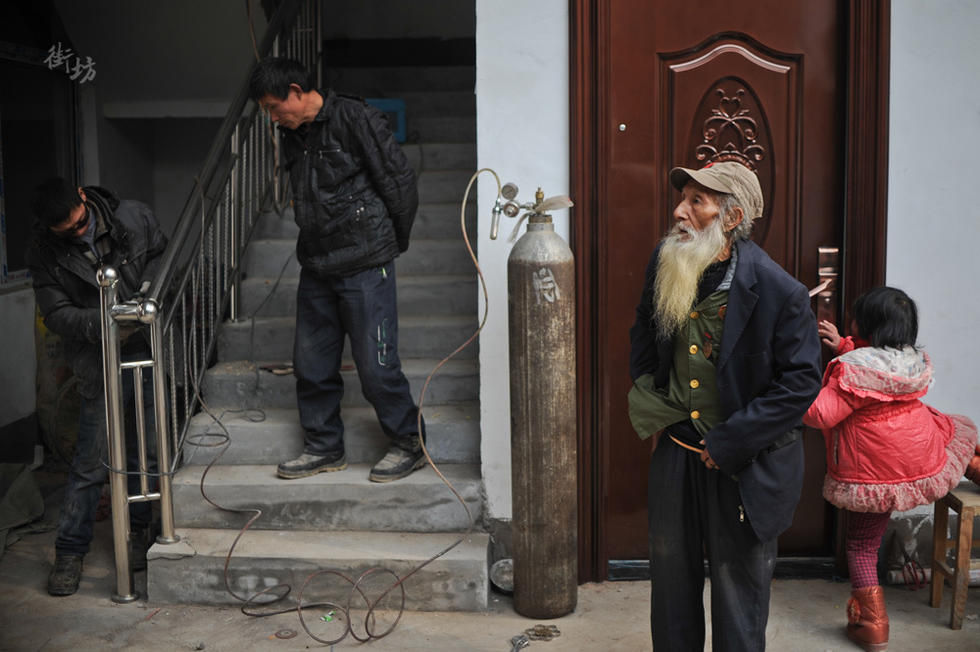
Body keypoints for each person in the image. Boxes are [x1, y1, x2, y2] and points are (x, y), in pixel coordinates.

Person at [628, 160, 823, 650]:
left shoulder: (782, 292)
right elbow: (644, 334)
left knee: (739, 599)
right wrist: (654, 395)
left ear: (730, 219)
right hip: (677, 451)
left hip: (746, 464)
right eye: (683, 198)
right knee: (671, 586)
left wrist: (731, 439)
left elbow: (800, 385)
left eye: (697, 201)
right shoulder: (667, 260)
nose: (679, 211)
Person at [247, 57, 425, 483]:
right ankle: (324, 447)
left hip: (365, 263)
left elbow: (400, 183)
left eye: (274, 106)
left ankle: (409, 442)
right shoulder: (292, 134)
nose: (272, 116)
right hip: (317, 265)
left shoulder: (354, 117)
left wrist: (385, 243)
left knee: (376, 366)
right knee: (311, 365)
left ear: (295, 91)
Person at [804, 287, 979, 651]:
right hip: (917, 447)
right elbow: (876, 370)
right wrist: (843, 346)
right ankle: (977, 467)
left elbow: (821, 414)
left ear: (864, 325)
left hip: (877, 468)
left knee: (862, 544)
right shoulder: (910, 358)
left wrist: (793, 384)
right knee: (952, 430)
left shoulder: (852, 371)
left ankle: (872, 624)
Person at [27, 177, 168, 596]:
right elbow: (56, 315)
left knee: (148, 450)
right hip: (96, 357)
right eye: (65, 232)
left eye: (78, 223)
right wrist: (108, 324)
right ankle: (70, 552)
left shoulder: (134, 216)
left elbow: (163, 259)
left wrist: (147, 298)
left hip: (147, 346)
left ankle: (141, 534)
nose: (77, 233)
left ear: (83, 198)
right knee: (90, 463)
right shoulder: (43, 252)